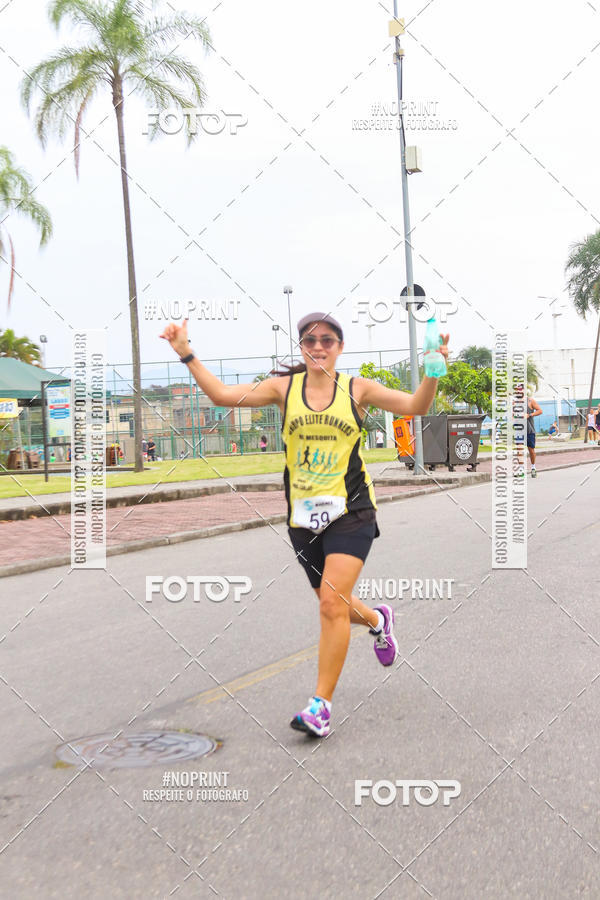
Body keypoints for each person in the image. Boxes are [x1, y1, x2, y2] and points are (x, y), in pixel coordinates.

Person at [160, 313, 449, 738]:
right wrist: (186, 352)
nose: (318, 347)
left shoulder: (357, 389)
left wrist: (432, 371)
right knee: (334, 604)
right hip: (302, 518)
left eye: (327, 340)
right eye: (310, 340)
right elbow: (222, 395)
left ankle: (321, 707)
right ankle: (378, 620)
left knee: (331, 604)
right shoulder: (284, 389)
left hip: (352, 511)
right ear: (301, 346)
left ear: (340, 347)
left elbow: (416, 407)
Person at [527, 393, 542, 477]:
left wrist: (529, 415)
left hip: (530, 430)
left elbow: (540, 410)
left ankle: (533, 468)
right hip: (519, 430)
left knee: (531, 450)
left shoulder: (530, 401)